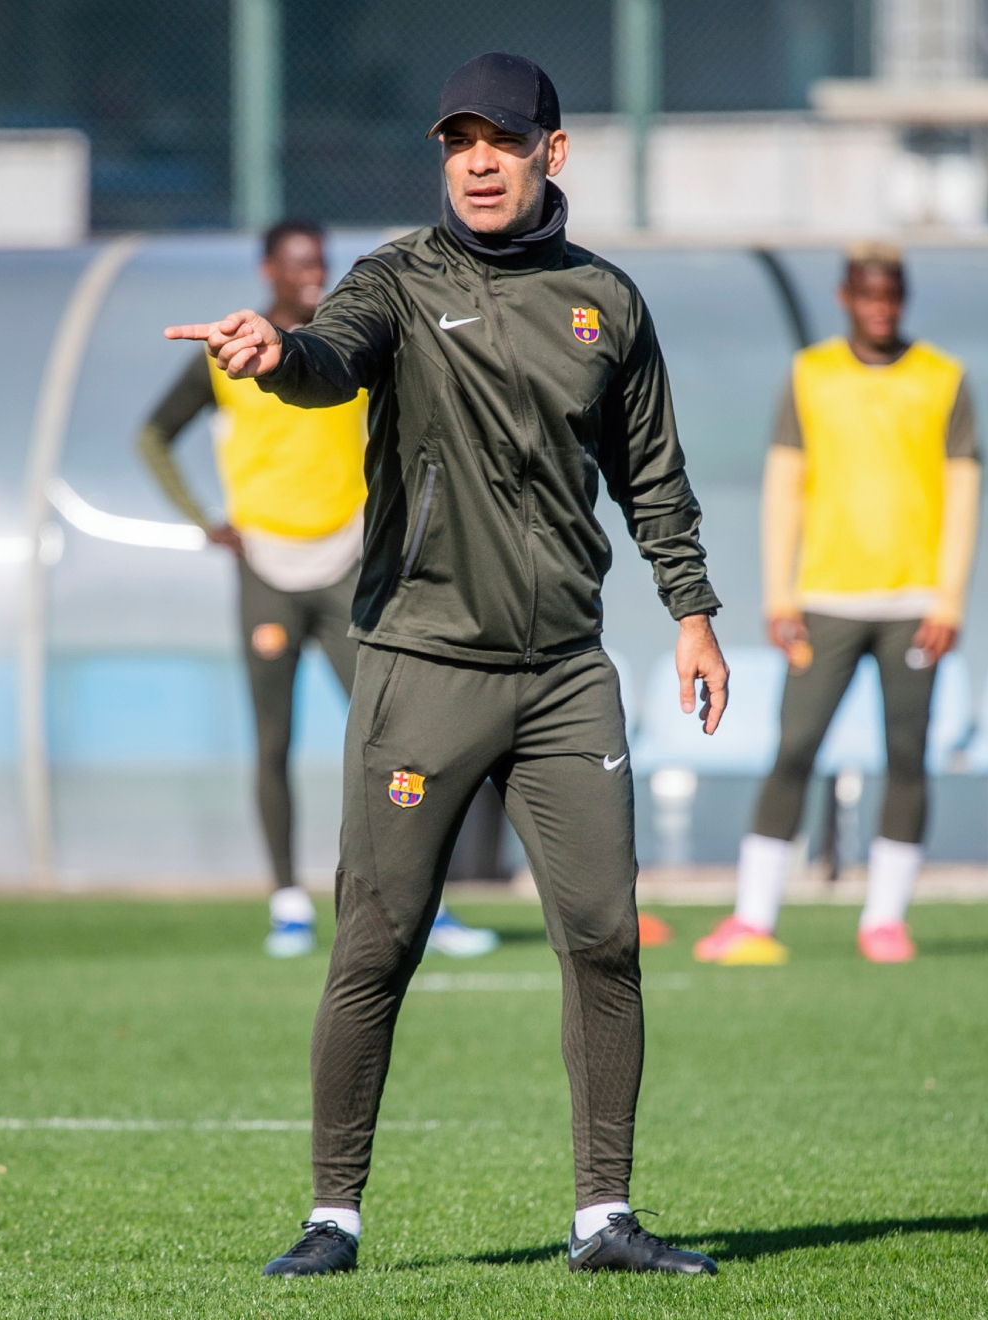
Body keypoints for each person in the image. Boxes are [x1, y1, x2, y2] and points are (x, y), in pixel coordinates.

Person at [164, 52, 728, 1278]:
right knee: (378, 941)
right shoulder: (398, 284)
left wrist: (691, 611)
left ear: (552, 154)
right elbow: (330, 357)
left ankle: (603, 1220)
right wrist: (280, 351)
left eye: (502, 140)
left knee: (603, 936)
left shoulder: (608, 303)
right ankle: (333, 1218)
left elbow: (652, 476)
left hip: (569, 674)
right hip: (424, 663)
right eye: (458, 140)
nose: (476, 160)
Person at [138, 219, 498, 962]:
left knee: (387, 734)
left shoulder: (350, 340)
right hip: (265, 568)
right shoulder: (229, 351)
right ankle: (287, 902)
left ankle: (419, 900)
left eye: (320, 263)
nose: (313, 275)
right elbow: (153, 436)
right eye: (298, 264)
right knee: (273, 741)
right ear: (268, 268)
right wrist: (206, 521)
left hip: (345, 565)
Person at [693, 241, 981, 967]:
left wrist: (949, 598)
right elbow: (784, 485)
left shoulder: (944, 380)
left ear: (903, 299)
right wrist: (779, 591)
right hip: (823, 598)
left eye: (892, 297)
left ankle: (885, 919)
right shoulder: (810, 375)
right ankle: (754, 917)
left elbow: (964, 496)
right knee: (794, 747)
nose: (880, 309)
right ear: (845, 296)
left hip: (916, 603)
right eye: (868, 295)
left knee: (907, 755)